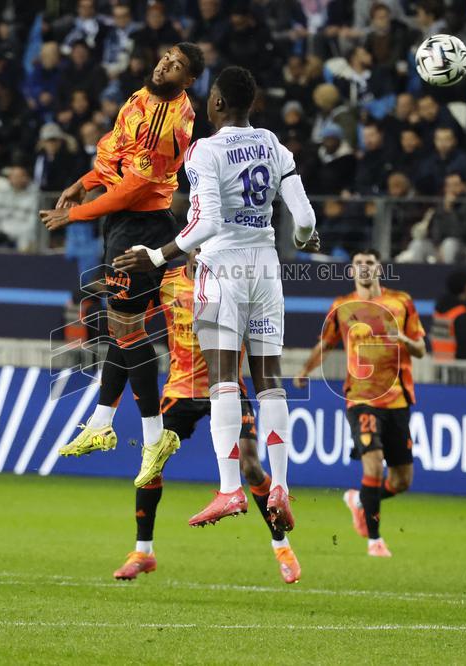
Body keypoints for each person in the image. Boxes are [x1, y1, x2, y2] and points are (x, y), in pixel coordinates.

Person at [111, 66, 318, 530]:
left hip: (222, 269)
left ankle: (229, 491)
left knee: (223, 379)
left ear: (219, 103)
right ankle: (280, 484)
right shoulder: (272, 143)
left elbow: (205, 225)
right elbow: (303, 219)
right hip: (266, 267)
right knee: (269, 380)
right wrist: (305, 238)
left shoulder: (204, 151)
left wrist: (157, 255)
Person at [39, 43, 205, 490]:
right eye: (165, 57)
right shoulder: (139, 98)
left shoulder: (167, 125)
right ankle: (101, 422)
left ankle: (155, 437)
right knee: (122, 327)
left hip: (140, 226)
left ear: (187, 81)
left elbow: (129, 191)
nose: (164, 64)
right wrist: (81, 183)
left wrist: (73, 213)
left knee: (129, 333)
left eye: (176, 67)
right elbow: (112, 158)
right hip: (126, 223)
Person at [114, 250, 301, 585]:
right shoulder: (168, 283)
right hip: (181, 390)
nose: (204, 253)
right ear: (188, 246)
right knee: (151, 462)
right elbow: (135, 319)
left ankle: (282, 547)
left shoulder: (231, 284)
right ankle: (143, 552)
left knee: (251, 465)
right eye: (199, 245)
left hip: (227, 388)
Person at [293, 249, 425, 557]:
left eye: (370, 263)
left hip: (398, 399)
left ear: (380, 268)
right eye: (358, 264)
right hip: (361, 398)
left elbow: (420, 348)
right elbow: (326, 343)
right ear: (352, 271)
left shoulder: (401, 302)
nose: (364, 268)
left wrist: (403, 341)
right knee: (373, 462)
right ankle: (375, 541)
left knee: (402, 479)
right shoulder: (341, 306)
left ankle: (358, 499)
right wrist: (304, 370)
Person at [431, 269, 466, 362]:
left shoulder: (439, 312)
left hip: (440, 368)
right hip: (457, 371)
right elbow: (465, 349)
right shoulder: (460, 314)